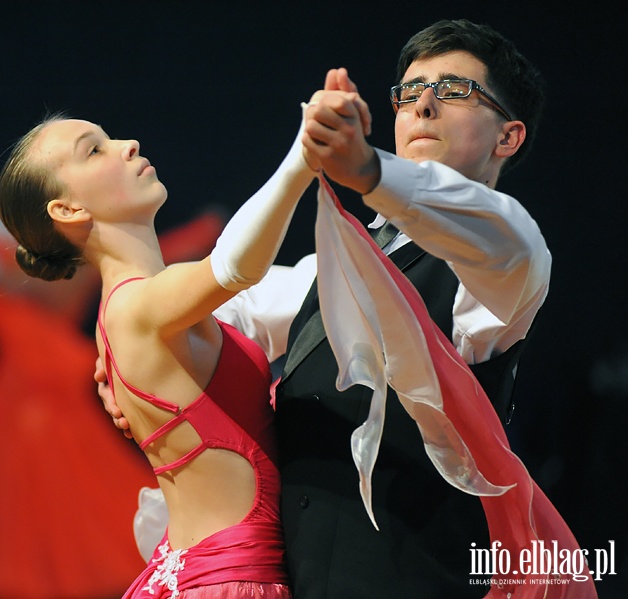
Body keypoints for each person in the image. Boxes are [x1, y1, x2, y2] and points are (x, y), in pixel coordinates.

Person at [100, 19, 594, 598]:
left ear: (507, 138)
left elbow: (496, 230)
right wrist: (122, 352)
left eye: (456, 89)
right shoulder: (332, 269)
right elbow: (224, 309)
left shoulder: (504, 260)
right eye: (409, 93)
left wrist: (368, 171)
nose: (424, 105)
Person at [0, 103, 320, 597]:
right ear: (67, 209)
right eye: (96, 150)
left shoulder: (133, 310)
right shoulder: (136, 307)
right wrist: (304, 156)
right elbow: (236, 267)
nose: (129, 145)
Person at [0, 197, 225, 599]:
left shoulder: (65, 260)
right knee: (20, 491)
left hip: (42, 385)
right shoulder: (30, 257)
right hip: (24, 384)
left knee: (58, 488)